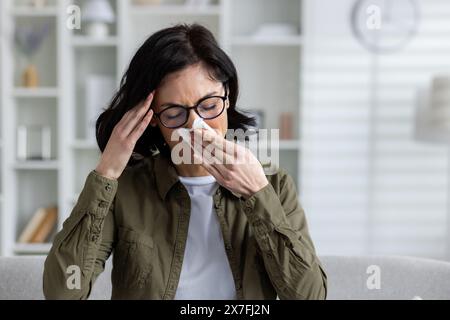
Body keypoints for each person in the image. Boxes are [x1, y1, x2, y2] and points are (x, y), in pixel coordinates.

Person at [43, 23, 327, 300]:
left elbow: (309, 295)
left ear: (228, 99)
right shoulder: (126, 189)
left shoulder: (274, 186)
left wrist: (257, 194)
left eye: (209, 105)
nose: (196, 127)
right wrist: (106, 172)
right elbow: (63, 292)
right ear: (152, 118)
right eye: (175, 113)